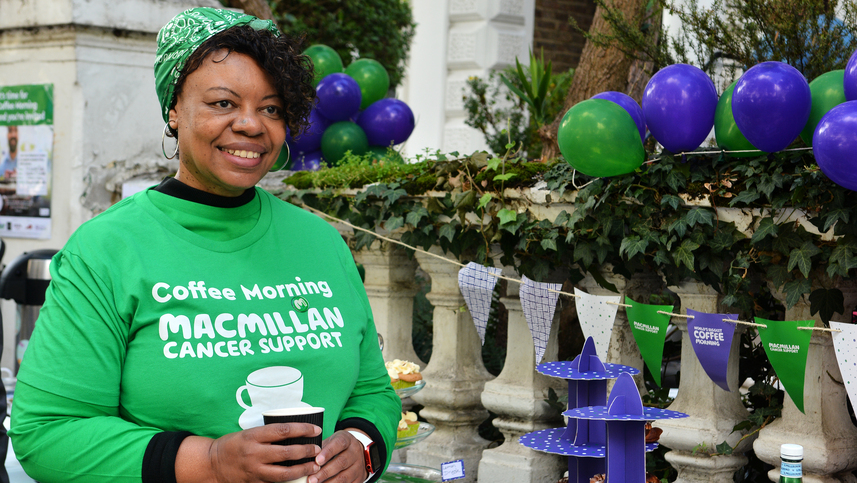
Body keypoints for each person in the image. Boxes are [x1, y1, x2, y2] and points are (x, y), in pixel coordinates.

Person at [8, 8, 400, 483]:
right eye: (222, 103)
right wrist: (209, 462)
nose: (252, 125)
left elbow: (374, 391)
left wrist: (362, 446)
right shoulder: (107, 249)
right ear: (174, 109)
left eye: (272, 108)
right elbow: (46, 433)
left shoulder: (320, 241)